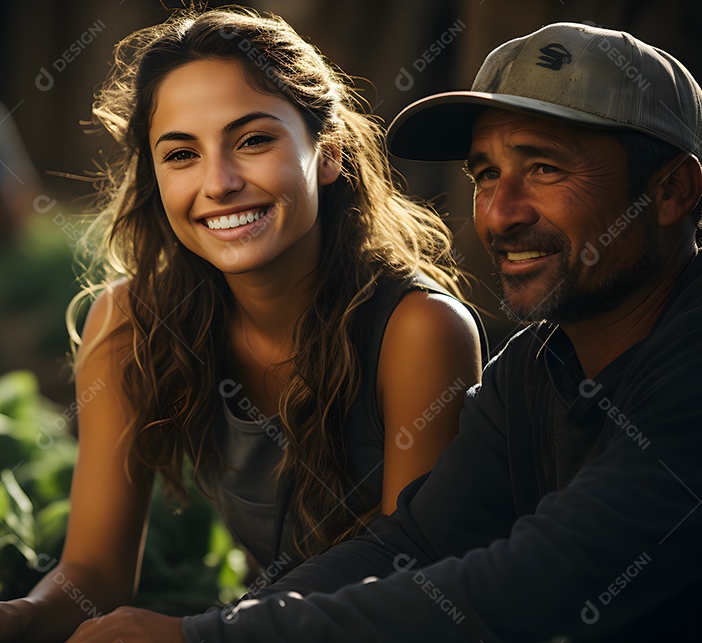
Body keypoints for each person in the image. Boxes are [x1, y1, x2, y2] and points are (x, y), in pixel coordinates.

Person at [62, 21, 702, 643]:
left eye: (544, 169)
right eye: (485, 174)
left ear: (673, 191)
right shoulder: (533, 370)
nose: (500, 214)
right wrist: (212, 628)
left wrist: (205, 636)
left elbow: (532, 581)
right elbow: (413, 543)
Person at [0, 7, 485, 640]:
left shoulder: (418, 330)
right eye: (182, 154)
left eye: (253, 140)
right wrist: (9, 615)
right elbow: (94, 574)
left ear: (328, 154)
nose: (219, 183)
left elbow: (412, 583)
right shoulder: (130, 325)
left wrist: (197, 633)